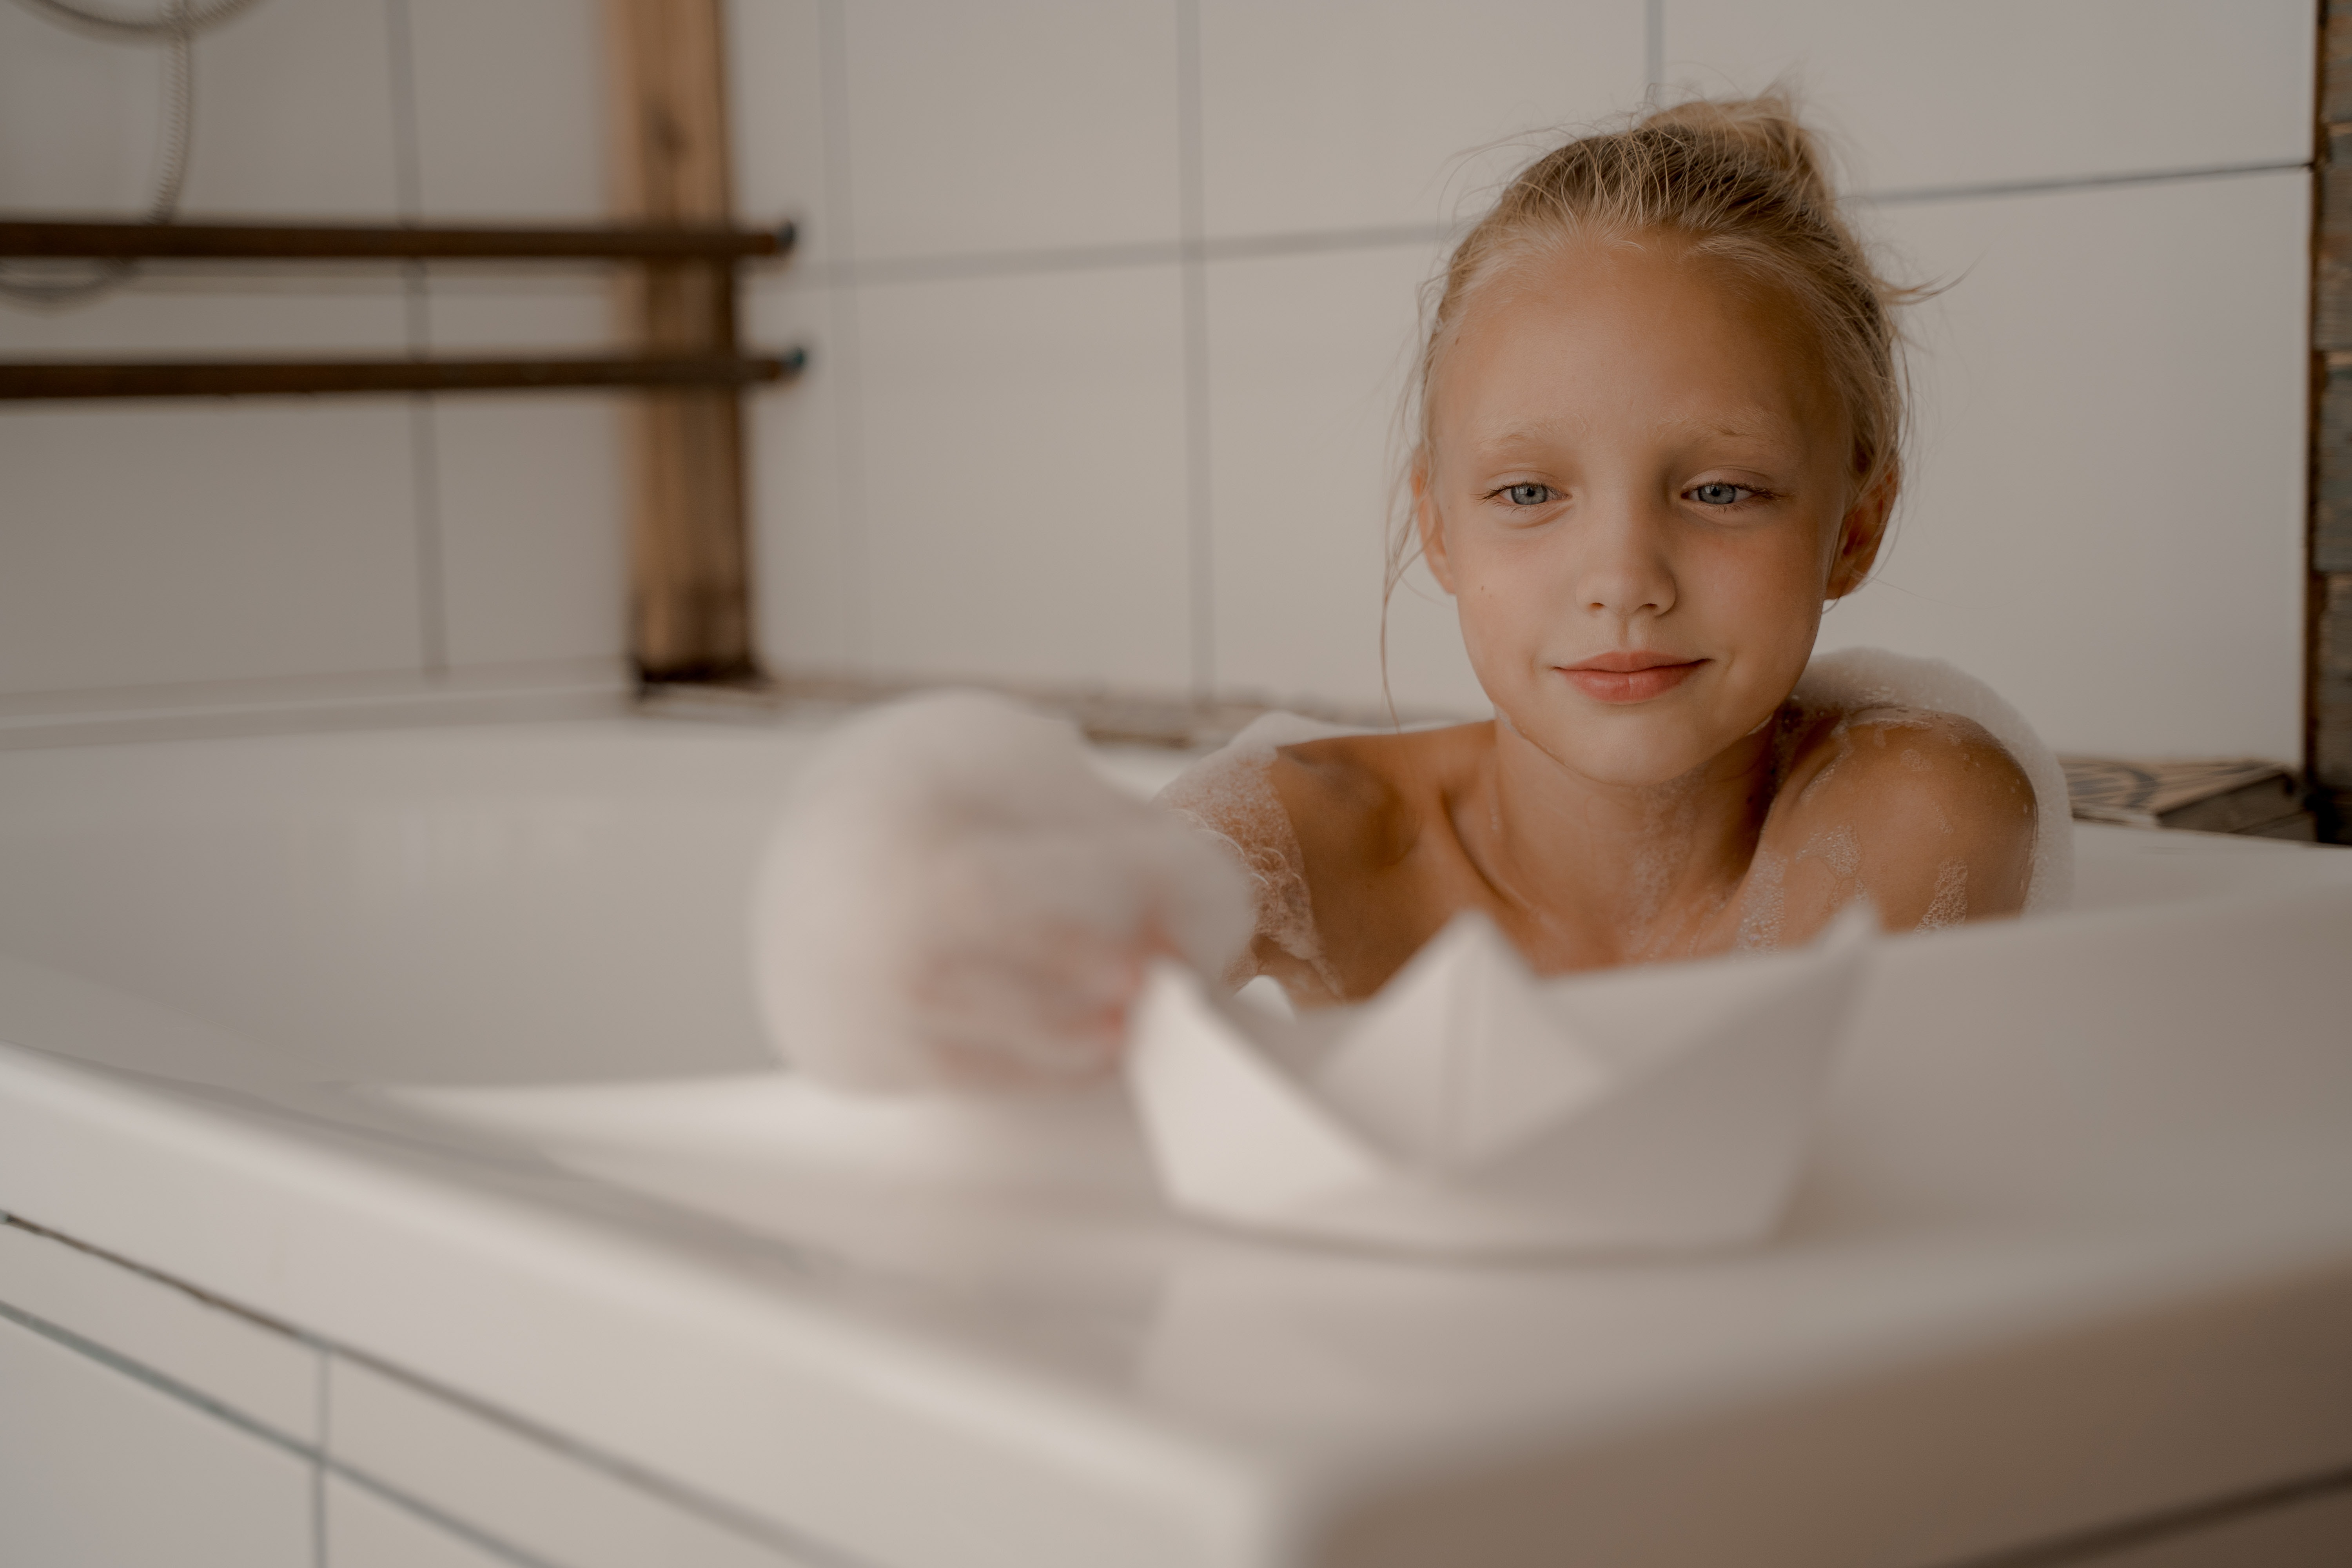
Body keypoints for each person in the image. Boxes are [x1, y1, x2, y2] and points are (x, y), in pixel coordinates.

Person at [755, 94, 2043, 1092]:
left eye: (1720, 492)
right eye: (1530, 495)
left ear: (1855, 526)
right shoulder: (1307, 839)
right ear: (1438, 525)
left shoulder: (1919, 802)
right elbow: (1068, 953)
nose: (1624, 583)